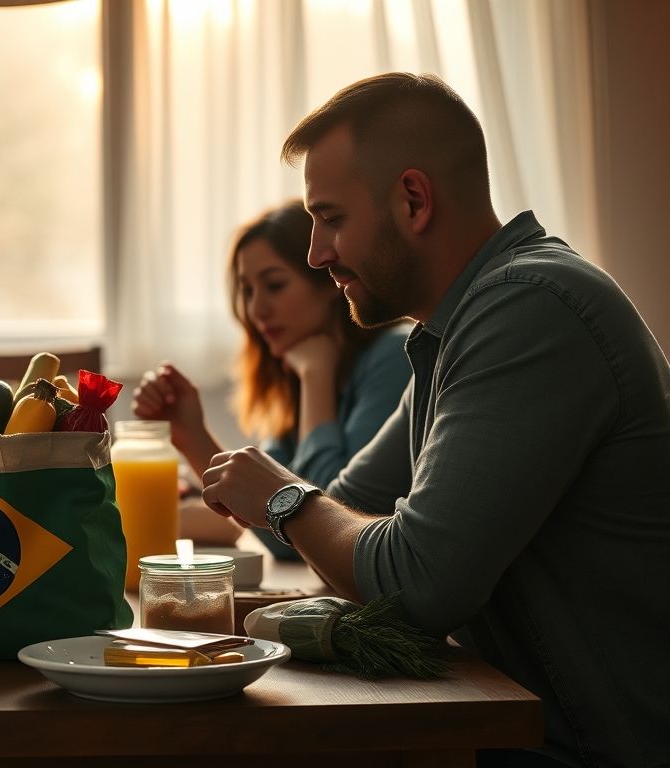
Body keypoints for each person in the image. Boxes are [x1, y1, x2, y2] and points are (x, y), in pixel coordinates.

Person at [200, 73, 669, 767]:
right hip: (509, 724)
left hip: (593, 751)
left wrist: (280, 496)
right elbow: (347, 515)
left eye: (330, 219)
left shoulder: (531, 308)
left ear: (414, 200)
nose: (316, 253)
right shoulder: (457, 329)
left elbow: (413, 583)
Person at [132, 201, 411, 558]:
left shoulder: (394, 356)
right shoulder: (292, 374)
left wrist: (315, 376)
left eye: (275, 285)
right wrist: (192, 436)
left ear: (328, 280)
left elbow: (334, 522)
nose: (256, 310)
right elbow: (279, 529)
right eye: (248, 291)